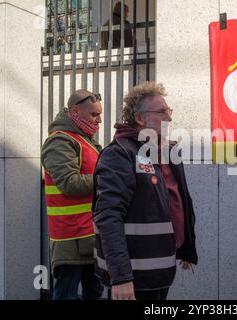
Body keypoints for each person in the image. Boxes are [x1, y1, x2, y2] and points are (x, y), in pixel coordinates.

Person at [93, 82, 198, 300]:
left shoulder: (167, 151)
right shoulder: (120, 154)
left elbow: (179, 200)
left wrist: (185, 246)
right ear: (141, 119)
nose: (169, 117)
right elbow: (109, 217)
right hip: (132, 278)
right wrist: (121, 278)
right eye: (161, 112)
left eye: (169, 111)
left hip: (161, 269)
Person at [41, 89, 104, 300]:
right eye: (94, 115)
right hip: (70, 240)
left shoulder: (85, 141)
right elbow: (70, 183)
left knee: (94, 292)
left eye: (100, 115)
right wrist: (108, 180)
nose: (99, 120)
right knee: (66, 295)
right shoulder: (59, 141)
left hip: (90, 236)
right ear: (75, 112)